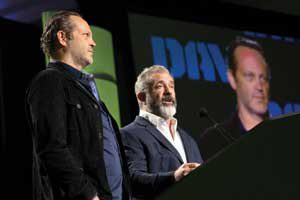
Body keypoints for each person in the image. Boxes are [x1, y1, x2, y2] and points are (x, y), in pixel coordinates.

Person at [25, 11, 131, 200]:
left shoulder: (87, 90)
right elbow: (52, 148)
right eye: (86, 35)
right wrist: (89, 194)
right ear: (63, 38)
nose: (93, 42)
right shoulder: (49, 81)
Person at [120, 65, 203, 199]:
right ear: (142, 97)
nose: (168, 91)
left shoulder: (188, 140)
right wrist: (173, 177)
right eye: (159, 86)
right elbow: (133, 179)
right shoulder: (129, 134)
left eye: (171, 86)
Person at [199, 36, 271, 161]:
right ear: (232, 78)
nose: (260, 86)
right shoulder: (213, 141)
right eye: (250, 76)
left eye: (263, 78)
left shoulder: (285, 135)